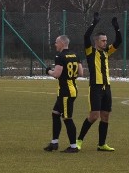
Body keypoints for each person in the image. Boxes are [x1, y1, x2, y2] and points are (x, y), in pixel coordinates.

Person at [76, 12, 122, 151]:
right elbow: (85, 36)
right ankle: (79, 140)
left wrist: (116, 28)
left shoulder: (106, 52)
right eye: (103, 40)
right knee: (94, 115)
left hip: (106, 87)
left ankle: (102, 144)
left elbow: (118, 41)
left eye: (106, 40)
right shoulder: (90, 51)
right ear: (96, 41)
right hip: (95, 87)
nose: (105, 42)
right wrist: (94, 23)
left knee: (105, 116)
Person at [43, 35, 83, 153]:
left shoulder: (60, 56)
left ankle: (73, 146)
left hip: (66, 92)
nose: (55, 44)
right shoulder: (75, 55)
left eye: (56, 42)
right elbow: (80, 73)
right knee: (55, 114)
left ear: (61, 43)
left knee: (67, 118)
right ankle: (54, 143)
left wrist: (48, 71)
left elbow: (56, 74)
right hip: (72, 89)